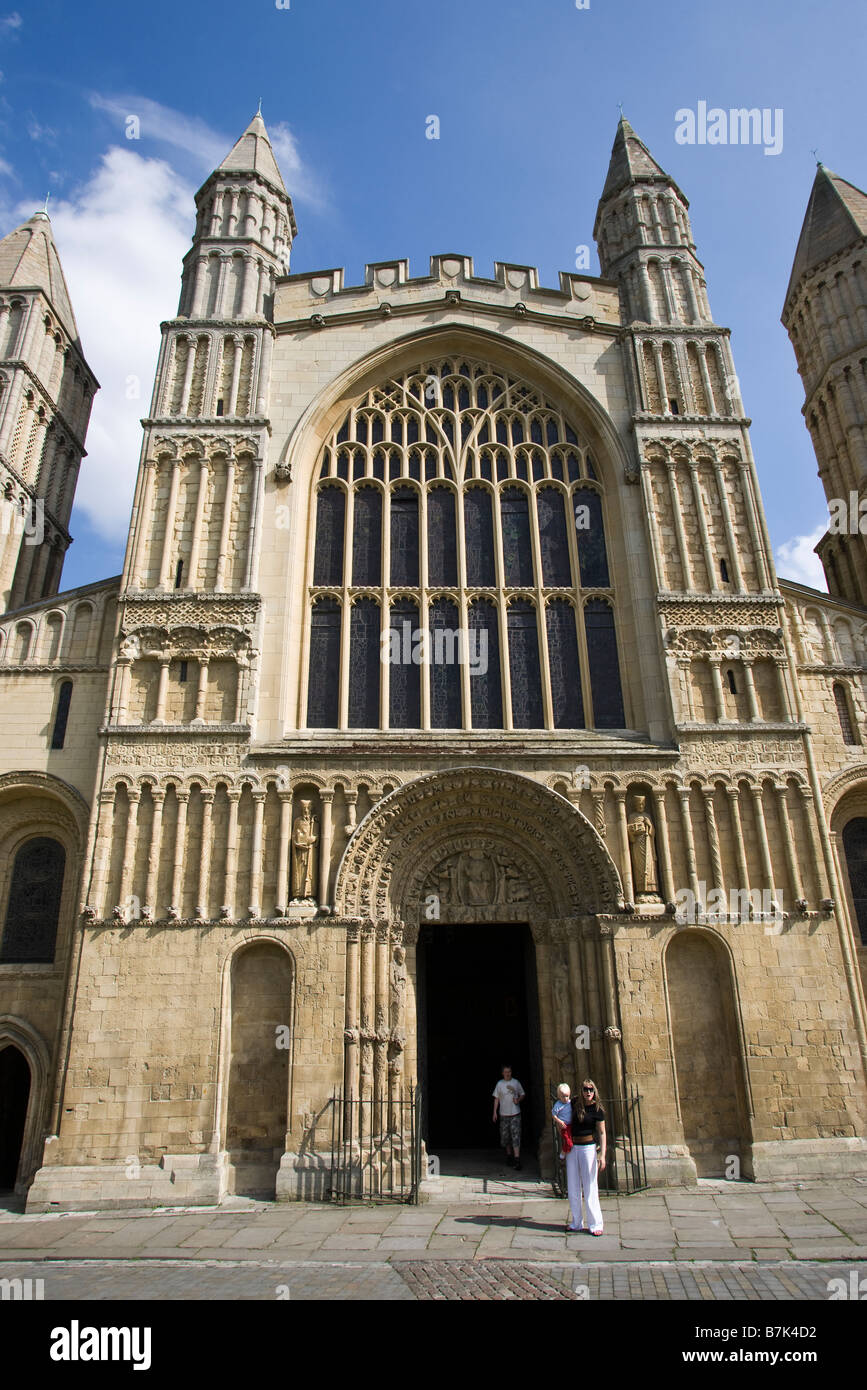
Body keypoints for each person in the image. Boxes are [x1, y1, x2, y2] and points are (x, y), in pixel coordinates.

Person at [553, 1077, 606, 1235]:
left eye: (591, 1089)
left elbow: (602, 1133)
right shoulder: (574, 1103)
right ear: (581, 1091)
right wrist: (558, 1123)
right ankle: (576, 1222)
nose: (588, 1092)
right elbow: (559, 1109)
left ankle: (595, 1224)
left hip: (588, 1148)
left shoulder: (598, 1110)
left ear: (594, 1091)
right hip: (573, 1148)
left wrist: (602, 1155)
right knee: (573, 1186)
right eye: (585, 1089)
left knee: (590, 1185)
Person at [492, 1064, 525, 1170]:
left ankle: (517, 1159)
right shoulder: (499, 1084)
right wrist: (494, 1112)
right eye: (505, 1072)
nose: (507, 1074)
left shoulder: (516, 1082)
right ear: (502, 1073)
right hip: (504, 1114)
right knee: (505, 1137)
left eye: (509, 1071)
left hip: (515, 1113)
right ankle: (509, 1155)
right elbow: (496, 1098)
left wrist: (518, 1100)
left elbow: (523, 1094)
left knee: (516, 1136)